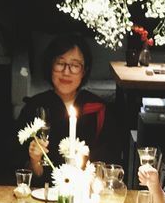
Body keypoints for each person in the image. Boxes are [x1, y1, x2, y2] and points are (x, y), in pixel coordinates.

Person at [16, 32, 111, 180]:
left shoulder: (98, 109)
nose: (66, 72)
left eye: (75, 65)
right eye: (60, 64)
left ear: (84, 71)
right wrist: (35, 160)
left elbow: (105, 166)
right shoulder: (34, 108)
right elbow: (25, 174)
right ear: (50, 66)